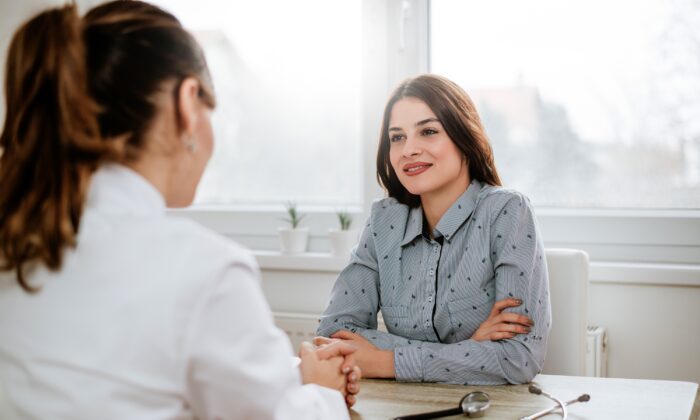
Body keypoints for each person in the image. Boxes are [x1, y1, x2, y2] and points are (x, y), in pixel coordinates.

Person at [0, 2, 359, 419]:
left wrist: (289, 384)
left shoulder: (18, 240)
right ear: (188, 103)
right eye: (211, 109)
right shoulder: (204, 270)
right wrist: (321, 393)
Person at [316, 74, 552, 385]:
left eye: (428, 131)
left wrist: (387, 361)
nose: (408, 149)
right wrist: (467, 351)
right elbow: (333, 335)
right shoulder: (383, 221)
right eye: (397, 137)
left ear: (464, 139)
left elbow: (519, 357)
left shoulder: (507, 212)